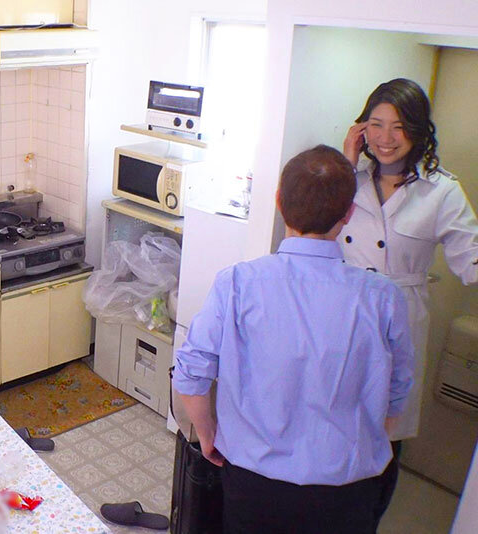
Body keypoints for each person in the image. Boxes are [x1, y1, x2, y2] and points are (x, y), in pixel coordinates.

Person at [173, 145, 415, 534]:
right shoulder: (383, 297)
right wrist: (359, 445)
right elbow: (398, 390)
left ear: (279, 203)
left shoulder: (239, 283)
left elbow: (190, 374)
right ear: (348, 214)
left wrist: (207, 434)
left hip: (254, 484)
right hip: (347, 492)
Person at [340, 78, 478, 528]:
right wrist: (345, 161)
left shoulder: (441, 191)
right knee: (336, 421)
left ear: (418, 131)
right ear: (362, 128)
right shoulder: (348, 178)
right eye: (376, 124)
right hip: (342, 316)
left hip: (398, 322)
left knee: (385, 436)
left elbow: (471, 260)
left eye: (398, 126)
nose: (385, 138)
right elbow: (314, 228)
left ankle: (366, 521)